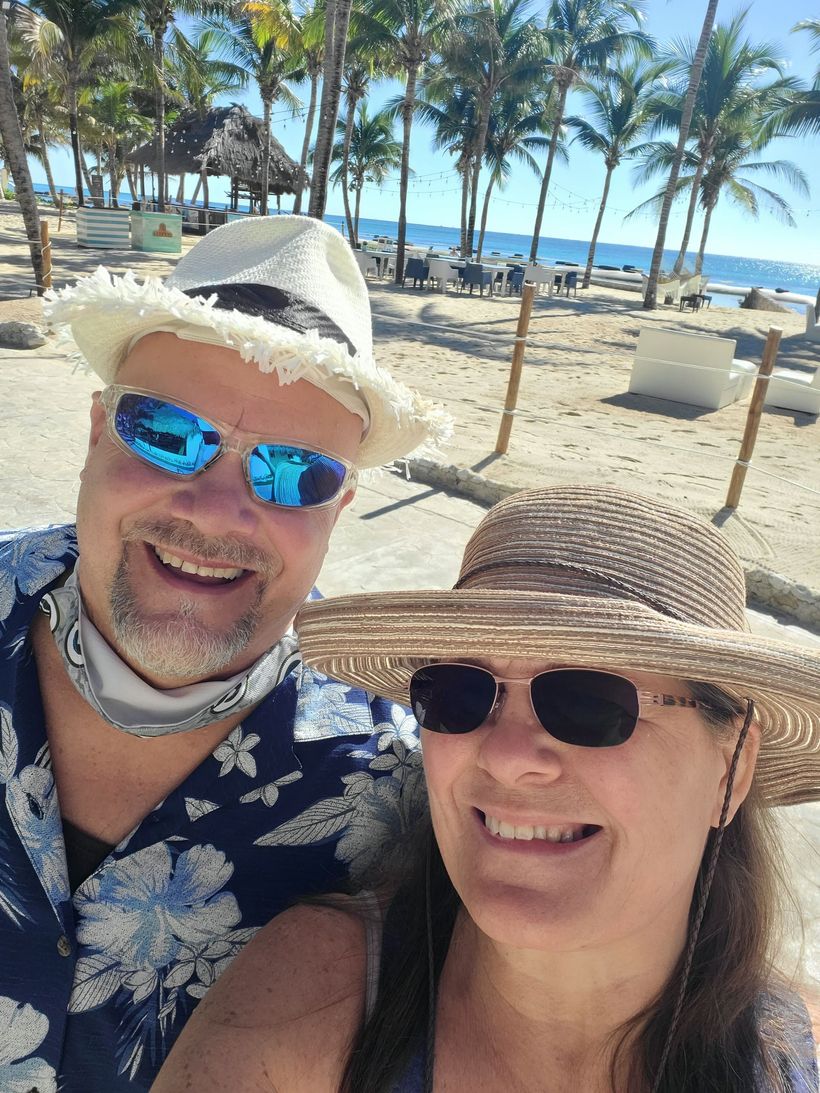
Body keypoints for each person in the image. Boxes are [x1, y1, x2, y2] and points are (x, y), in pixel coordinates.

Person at [153, 485, 820, 1093]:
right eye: (458, 693)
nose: (505, 758)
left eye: (590, 702)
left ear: (732, 766)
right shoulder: (304, 1007)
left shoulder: (793, 1054)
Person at [0, 215, 450, 1093]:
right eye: (165, 429)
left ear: (338, 508)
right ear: (96, 432)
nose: (214, 510)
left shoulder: (399, 789)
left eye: (294, 472)